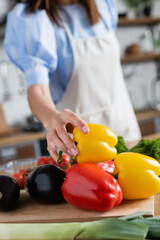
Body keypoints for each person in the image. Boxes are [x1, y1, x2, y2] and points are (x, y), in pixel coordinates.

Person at [3, 0, 141, 160]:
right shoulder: (32, 19)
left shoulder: (102, 5)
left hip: (125, 126)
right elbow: (37, 90)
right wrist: (50, 118)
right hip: (81, 144)